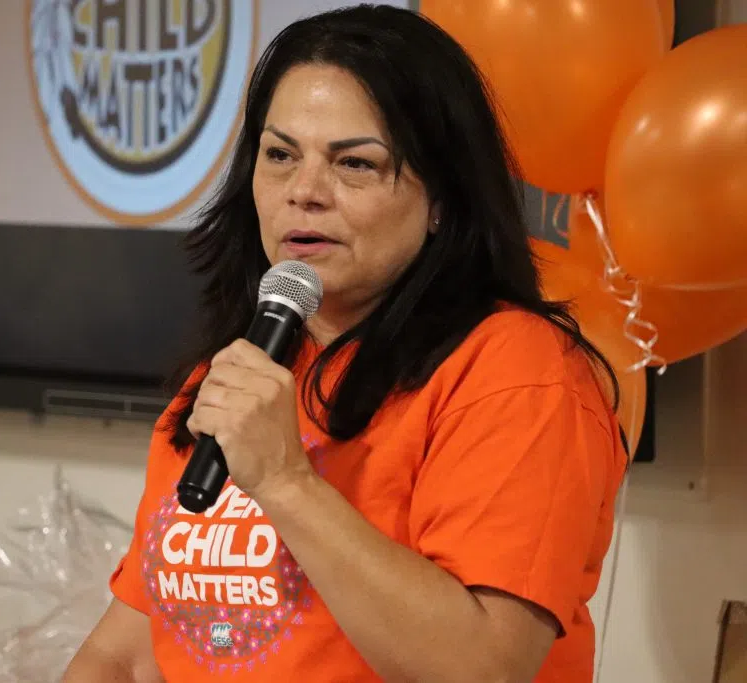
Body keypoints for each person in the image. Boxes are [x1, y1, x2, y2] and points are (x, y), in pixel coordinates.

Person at [62, 5, 628, 682]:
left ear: (443, 198)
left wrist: (285, 481)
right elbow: (125, 652)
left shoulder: (519, 371)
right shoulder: (232, 379)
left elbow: (482, 666)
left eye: (354, 163)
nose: (304, 192)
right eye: (279, 156)